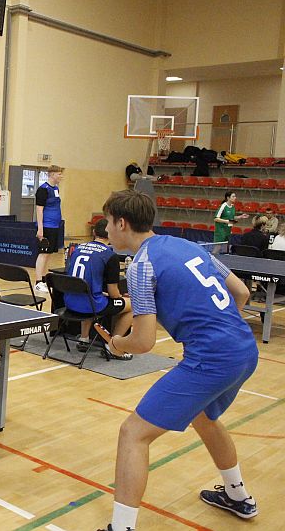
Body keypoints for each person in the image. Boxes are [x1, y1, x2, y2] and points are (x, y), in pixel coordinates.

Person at [97, 190, 258, 531]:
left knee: (133, 433)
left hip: (212, 359)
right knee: (205, 417)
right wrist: (221, 331)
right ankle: (237, 495)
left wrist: (117, 343)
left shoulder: (141, 265)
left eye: (108, 222)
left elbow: (143, 342)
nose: (106, 229)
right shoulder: (188, 245)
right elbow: (241, 292)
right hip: (245, 350)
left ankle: (121, 527)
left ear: (122, 223)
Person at [64, 218, 133, 360]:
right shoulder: (110, 255)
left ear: (94, 232)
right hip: (92, 306)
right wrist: (122, 297)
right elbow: (113, 293)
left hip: (69, 302)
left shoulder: (77, 249)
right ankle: (113, 346)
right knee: (132, 305)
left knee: (88, 296)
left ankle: (84, 339)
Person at [34, 165, 64, 293]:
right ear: (52, 174)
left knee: (49, 254)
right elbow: (39, 210)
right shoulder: (43, 190)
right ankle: (38, 282)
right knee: (43, 254)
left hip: (55, 226)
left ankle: (44, 279)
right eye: (59, 174)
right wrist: (40, 229)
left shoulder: (56, 188)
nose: (61, 176)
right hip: (46, 226)